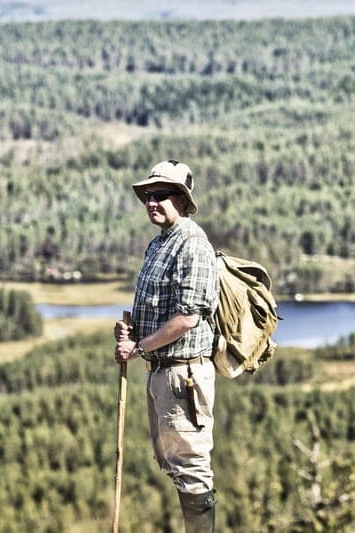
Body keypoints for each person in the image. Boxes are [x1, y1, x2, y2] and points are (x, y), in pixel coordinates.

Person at [114, 159, 219, 532]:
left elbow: (188, 317)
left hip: (183, 376)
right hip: (163, 373)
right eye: (147, 196)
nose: (151, 202)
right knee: (175, 465)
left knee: (191, 466)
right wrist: (132, 334)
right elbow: (160, 313)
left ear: (182, 200)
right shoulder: (159, 244)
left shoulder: (192, 245)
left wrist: (139, 347)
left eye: (160, 195)